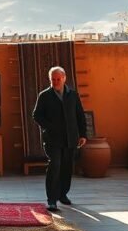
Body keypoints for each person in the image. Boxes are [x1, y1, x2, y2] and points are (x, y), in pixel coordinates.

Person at [32, 66, 88, 212]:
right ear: (50, 80)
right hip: (52, 139)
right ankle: (51, 200)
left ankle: (63, 194)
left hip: (70, 138)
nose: (56, 82)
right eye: (53, 79)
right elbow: (36, 115)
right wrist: (49, 127)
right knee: (55, 166)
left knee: (67, 167)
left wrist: (83, 134)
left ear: (64, 79)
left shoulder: (73, 95)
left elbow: (80, 116)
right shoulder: (44, 96)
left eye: (58, 79)